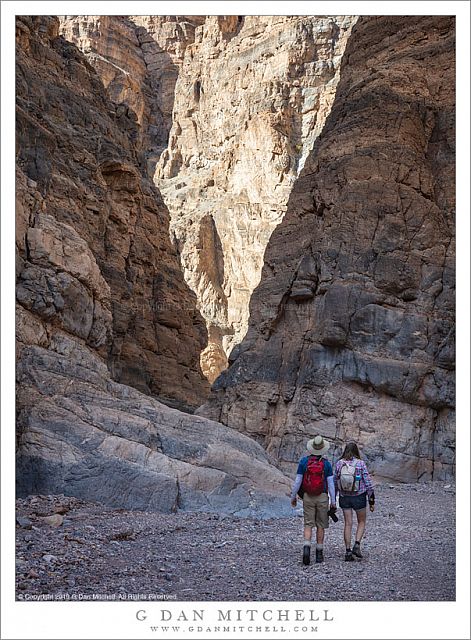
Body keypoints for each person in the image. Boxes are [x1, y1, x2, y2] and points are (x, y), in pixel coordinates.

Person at [290, 435, 336, 565]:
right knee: (321, 525)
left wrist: (293, 497)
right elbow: (331, 484)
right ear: (323, 449)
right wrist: (333, 501)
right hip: (322, 497)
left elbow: (298, 481)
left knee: (308, 523)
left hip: (308, 496)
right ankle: (319, 553)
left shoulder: (304, 462)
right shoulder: (326, 464)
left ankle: (306, 548)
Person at [334, 441, 375, 561]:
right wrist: (371, 500)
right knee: (361, 521)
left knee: (348, 523)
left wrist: (334, 498)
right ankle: (357, 544)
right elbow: (368, 483)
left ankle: (347, 552)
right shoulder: (361, 464)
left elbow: (335, 481)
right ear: (356, 451)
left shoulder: (339, 464)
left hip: (344, 497)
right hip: (359, 496)